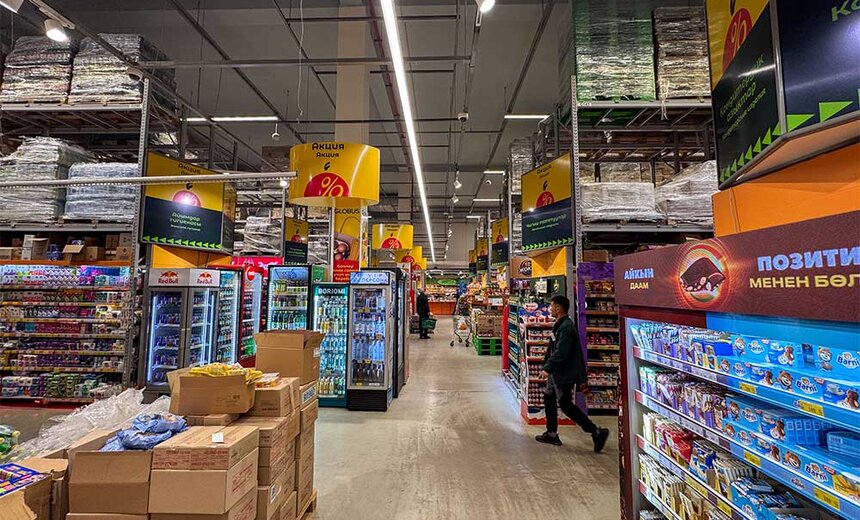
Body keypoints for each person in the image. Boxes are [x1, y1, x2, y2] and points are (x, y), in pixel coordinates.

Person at [535, 295, 610, 452]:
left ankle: (597, 431)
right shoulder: (560, 324)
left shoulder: (566, 327)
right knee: (548, 398)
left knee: (566, 405)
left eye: (552, 306)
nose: (550, 309)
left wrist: (548, 368)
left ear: (558, 308)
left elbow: (562, 352)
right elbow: (554, 348)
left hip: (563, 372)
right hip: (556, 371)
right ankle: (551, 433)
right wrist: (548, 364)